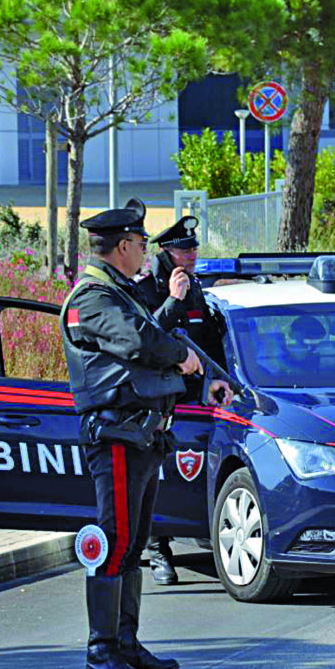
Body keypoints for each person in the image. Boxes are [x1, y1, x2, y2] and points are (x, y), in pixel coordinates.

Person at [61, 205, 232, 669]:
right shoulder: (93, 298)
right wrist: (183, 358)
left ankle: (127, 643)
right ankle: (102, 650)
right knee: (115, 540)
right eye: (139, 244)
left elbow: (154, 338)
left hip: (142, 434)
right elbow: (141, 344)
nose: (144, 251)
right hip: (115, 433)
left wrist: (205, 377)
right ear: (122, 247)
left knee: (133, 544)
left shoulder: (122, 293)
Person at [133, 207, 227, 585]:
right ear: (168, 251)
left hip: (193, 401)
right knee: (157, 472)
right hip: (157, 399)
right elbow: (147, 338)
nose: (193, 253)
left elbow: (206, 341)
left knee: (183, 473)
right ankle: (158, 549)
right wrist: (172, 300)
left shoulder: (196, 286)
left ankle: (187, 531)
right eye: (186, 249)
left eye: (194, 247)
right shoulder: (146, 288)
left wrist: (222, 380)